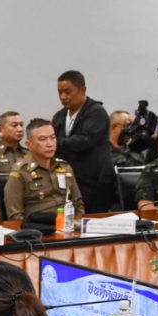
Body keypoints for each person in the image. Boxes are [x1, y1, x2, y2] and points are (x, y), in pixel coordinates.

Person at [52, 71, 113, 213]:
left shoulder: (96, 112)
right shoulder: (60, 115)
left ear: (82, 90)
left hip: (94, 180)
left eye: (67, 92)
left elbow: (84, 140)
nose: (63, 97)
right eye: (59, 92)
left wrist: (56, 143)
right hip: (69, 178)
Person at [3, 118, 84, 221]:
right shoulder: (20, 172)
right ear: (29, 144)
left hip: (68, 225)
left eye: (53, 138)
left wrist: (76, 224)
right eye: (42, 139)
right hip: (38, 227)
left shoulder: (65, 168)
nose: (50, 144)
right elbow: (15, 216)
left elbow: (78, 204)